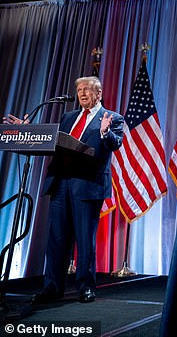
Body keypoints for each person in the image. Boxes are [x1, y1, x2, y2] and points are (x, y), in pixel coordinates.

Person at [3, 76, 124, 304]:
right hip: (61, 182)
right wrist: (28, 133)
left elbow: (115, 143)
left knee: (85, 239)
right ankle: (52, 287)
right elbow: (53, 142)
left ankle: (85, 287)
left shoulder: (112, 118)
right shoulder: (68, 117)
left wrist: (105, 133)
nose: (82, 93)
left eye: (87, 89)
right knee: (56, 238)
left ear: (99, 94)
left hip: (88, 185)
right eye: (79, 90)